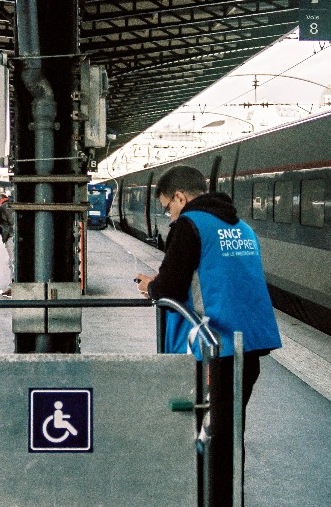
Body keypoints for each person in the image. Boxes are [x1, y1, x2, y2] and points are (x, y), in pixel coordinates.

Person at [134, 165, 281, 507]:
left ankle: (212, 500)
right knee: (229, 435)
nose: (169, 216)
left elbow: (171, 288)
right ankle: (226, 497)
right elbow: (214, 273)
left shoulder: (189, 224)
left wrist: (151, 287)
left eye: (167, 207)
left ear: (180, 197)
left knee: (208, 438)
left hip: (215, 350)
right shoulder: (241, 227)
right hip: (248, 349)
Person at [0, 193, 15, 289]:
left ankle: (13, 283)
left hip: (10, 236)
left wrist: (5, 236)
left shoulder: (1, 209)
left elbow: (2, 224)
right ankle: (13, 282)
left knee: (13, 261)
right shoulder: (13, 203)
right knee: (13, 261)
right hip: (17, 234)